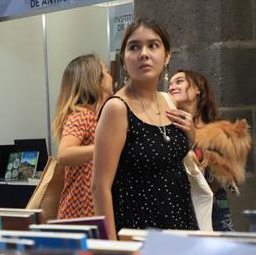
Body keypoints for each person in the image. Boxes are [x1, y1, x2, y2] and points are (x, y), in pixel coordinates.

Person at [92, 18, 198, 239]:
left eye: (153, 45)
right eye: (134, 47)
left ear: (167, 55)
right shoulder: (116, 108)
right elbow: (100, 187)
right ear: (123, 58)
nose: (144, 53)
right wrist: (112, 248)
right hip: (138, 232)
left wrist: (191, 135)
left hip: (181, 225)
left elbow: (169, 158)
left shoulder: (168, 100)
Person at [169, 70, 253, 232]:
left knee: (221, 253)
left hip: (214, 203)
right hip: (178, 202)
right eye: (170, 84)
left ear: (197, 89)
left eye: (179, 81)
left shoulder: (221, 132)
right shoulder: (166, 127)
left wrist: (207, 157)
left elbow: (231, 173)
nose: (172, 87)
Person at [53, 54, 113, 219]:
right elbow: (64, 154)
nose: (110, 76)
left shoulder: (100, 116)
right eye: (106, 72)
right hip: (80, 214)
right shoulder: (83, 115)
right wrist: (105, 149)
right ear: (97, 81)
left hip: (91, 211)